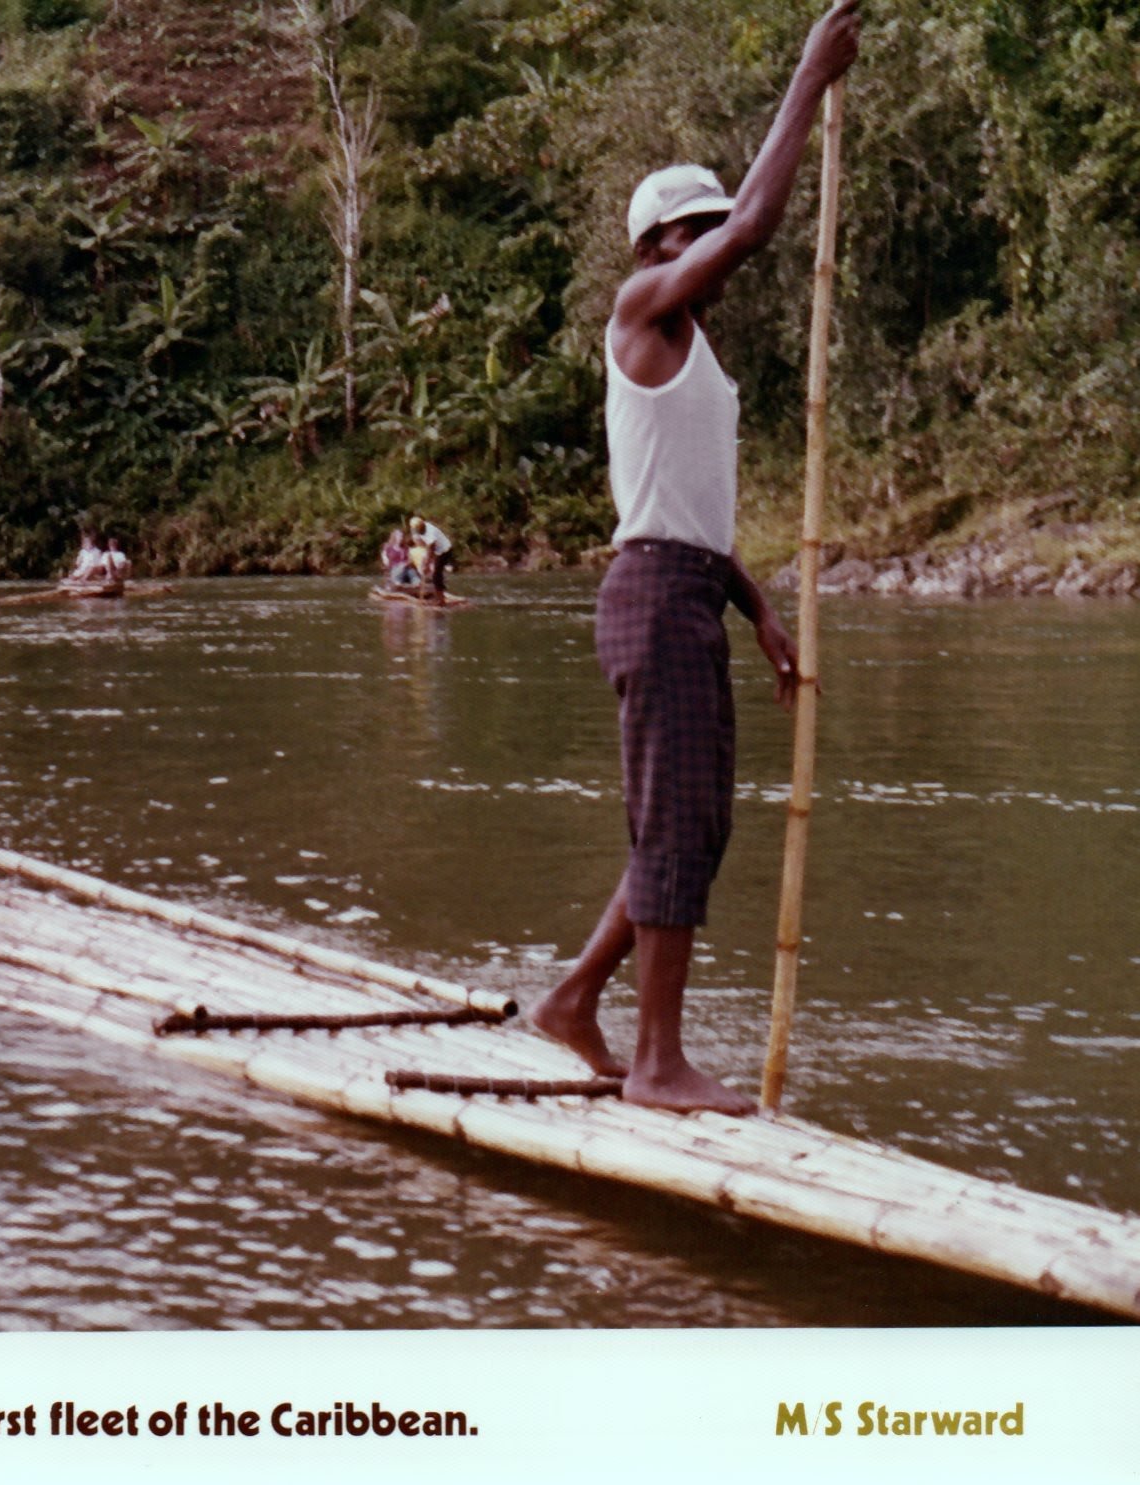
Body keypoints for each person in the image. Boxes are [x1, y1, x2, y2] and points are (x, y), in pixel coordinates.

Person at [528, 0, 858, 1115]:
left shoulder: (694, 347)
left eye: (712, 228)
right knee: (675, 823)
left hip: (686, 593)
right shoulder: (639, 312)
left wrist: (756, 608)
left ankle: (576, 1000)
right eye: (696, 231)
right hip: (653, 596)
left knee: (695, 824)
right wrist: (808, 76)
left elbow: (689, 511)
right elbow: (760, 222)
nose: (716, 242)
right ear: (656, 249)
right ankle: (658, 1065)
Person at [408, 515, 453, 596]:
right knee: (435, 574)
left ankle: (440, 598)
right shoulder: (417, 529)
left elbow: (431, 549)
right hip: (437, 551)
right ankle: (438, 593)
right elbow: (427, 548)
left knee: (436, 574)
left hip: (444, 550)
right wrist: (425, 562)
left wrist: (426, 564)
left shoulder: (430, 532)